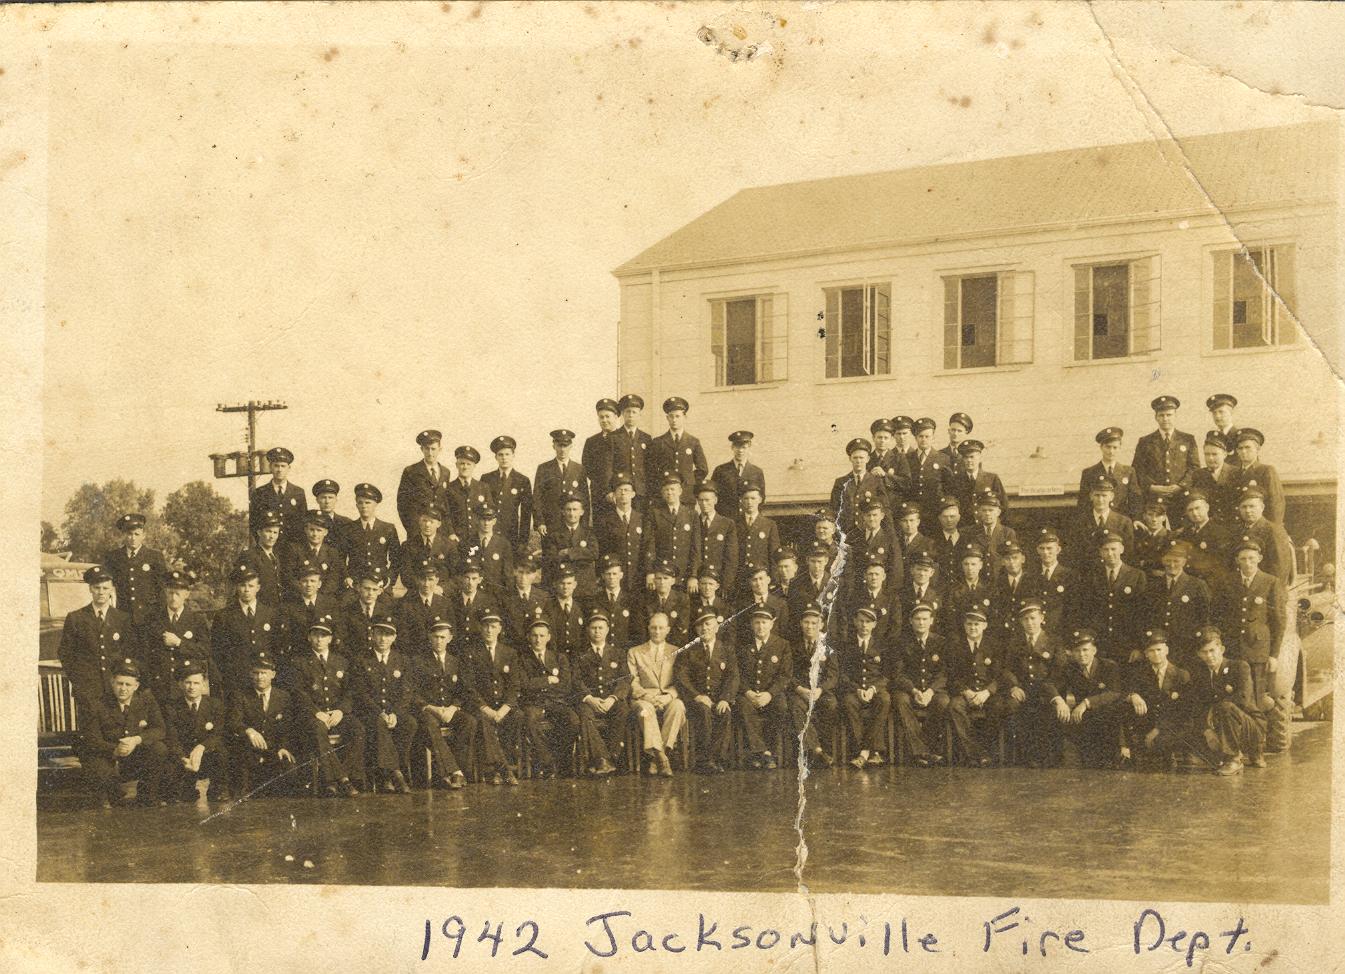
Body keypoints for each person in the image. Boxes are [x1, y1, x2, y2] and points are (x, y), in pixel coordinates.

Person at [282, 618, 363, 797]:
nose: (319, 639)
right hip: (313, 715)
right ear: (309, 638)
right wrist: (315, 712)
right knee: (317, 729)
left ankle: (338, 777)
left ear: (331, 639)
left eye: (323, 636)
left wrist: (341, 710)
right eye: (315, 635)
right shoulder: (299, 662)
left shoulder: (341, 661)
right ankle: (339, 780)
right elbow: (298, 692)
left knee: (358, 729)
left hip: (336, 713)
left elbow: (350, 691)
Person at [76, 659, 167, 808]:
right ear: (112, 683)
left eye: (128, 684)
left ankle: (147, 794)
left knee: (159, 749)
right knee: (98, 770)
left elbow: (160, 729)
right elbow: (91, 739)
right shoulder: (97, 704)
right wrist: (115, 749)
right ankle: (108, 794)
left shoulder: (146, 701)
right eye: (119, 683)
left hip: (134, 754)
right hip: (106, 755)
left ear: (136, 686)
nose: (123, 689)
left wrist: (137, 740)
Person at [1181, 626, 1265, 775]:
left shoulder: (1239, 667)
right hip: (1219, 726)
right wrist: (1207, 730)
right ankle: (1216, 755)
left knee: (1225, 707)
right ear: (1199, 654)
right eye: (1204, 652)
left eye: (1212, 650)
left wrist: (1213, 713)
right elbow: (1197, 706)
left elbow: (1243, 699)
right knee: (1191, 747)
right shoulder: (1200, 674)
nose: (1209, 656)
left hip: (1249, 727)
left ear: (1222, 649)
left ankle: (1233, 759)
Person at [350, 615, 417, 794]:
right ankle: (396, 773)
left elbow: (406, 692)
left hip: (394, 713)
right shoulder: (361, 659)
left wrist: (395, 713)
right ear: (372, 635)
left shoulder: (402, 660)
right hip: (370, 713)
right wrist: (380, 712)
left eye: (387, 635)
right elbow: (361, 693)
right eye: (379, 634)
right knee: (379, 724)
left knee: (410, 723)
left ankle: (387, 774)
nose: (382, 639)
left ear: (394, 637)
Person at [1219, 538, 1288, 705]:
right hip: (1232, 649)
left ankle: (1257, 729)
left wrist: (1273, 655)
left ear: (1259, 559)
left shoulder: (1271, 582)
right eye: (1243, 559)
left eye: (1251, 558)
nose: (1247, 563)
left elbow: (1278, 621)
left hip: (1258, 650)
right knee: (1233, 694)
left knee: (1257, 697)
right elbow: (1218, 615)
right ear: (1237, 561)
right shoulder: (1227, 581)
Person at [410, 618, 475, 789]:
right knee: (429, 723)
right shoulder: (418, 661)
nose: (439, 641)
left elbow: (463, 690)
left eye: (443, 637)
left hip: (449, 710)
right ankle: (453, 771)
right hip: (429, 710)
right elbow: (412, 692)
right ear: (429, 637)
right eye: (435, 637)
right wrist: (432, 708)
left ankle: (460, 770)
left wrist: (453, 708)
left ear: (450, 638)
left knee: (469, 721)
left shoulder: (456, 661)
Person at [517, 618, 584, 779]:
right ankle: (547, 762)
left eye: (541, 635)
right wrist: (547, 680)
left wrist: (538, 685)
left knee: (573, 720)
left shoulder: (559, 658)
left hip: (556, 702)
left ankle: (562, 760)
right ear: (528, 637)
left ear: (548, 637)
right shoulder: (522, 659)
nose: (538, 639)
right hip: (533, 704)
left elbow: (566, 686)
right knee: (530, 720)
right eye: (534, 636)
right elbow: (524, 685)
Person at [1048, 629, 1125, 769]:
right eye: (1077, 651)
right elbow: (1050, 683)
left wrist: (1086, 703)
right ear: (1072, 653)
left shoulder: (1108, 666)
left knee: (1108, 761)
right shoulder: (1070, 668)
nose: (1082, 654)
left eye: (1085, 650)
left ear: (1094, 650)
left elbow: (1114, 692)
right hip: (1084, 718)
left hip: (1107, 716)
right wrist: (1059, 700)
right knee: (1088, 761)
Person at [461, 609, 522, 786]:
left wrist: (504, 709)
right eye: (486, 626)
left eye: (493, 626)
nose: (489, 630)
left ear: (499, 629)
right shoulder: (470, 653)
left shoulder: (509, 653)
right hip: (482, 706)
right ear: (480, 628)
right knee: (481, 720)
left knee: (517, 716)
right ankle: (502, 769)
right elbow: (468, 687)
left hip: (503, 707)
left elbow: (514, 686)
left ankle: (502, 766)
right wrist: (486, 709)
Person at [143, 569, 218, 711]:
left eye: (178, 593)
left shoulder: (196, 620)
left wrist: (180, 643)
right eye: (170, 592)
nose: (173, 598)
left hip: (185, 686)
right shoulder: (153, 619)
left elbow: (205, 650)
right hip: (159, 685)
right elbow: (145, 652)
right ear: (165, 592)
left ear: (186, 594)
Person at [675, 608, 738, 774]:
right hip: (697, 700)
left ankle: (717, 758)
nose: (705, 629)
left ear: (717, 627)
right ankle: (705, 759)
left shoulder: (726, 649)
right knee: (703, 712)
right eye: (701, 626)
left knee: (725, 713)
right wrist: (697, 696)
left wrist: (725, 698)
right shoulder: (689, 651)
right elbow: (682, 677)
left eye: (709, 624)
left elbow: (733, 676)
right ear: (696, 630)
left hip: (719, 698)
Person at [998, 600, 1061, 767]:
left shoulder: (1053, 641)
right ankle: (1018, 755)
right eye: (1025, 619)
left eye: (1033, 618)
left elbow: (1058, 671)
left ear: (1042, 618)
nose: (1030, 623)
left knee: (1045, 710)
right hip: (1022, 690)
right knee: (1011, 706)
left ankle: (1044, 756)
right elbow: (1006, 669)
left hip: (1045, 691)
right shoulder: (1014, 642)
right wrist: (1013, 686)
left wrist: (1053, 694)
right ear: (1021, 622)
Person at [947, 608, 1013, 767]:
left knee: (998, 706)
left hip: (987, 693)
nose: (973, 628)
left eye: (977, 624)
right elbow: (951, 675)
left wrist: (987, 692)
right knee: (954, 706)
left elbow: (1001, 675)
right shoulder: (956, 646)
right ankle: (975, 753)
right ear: (964, 626)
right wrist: (966, 691)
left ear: (985, 625)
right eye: (969, 624)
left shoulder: (995, 646)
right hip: (965, 692)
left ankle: (986, 751)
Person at [229, 651, 298, 796]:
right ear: (250, 674)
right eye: (256, 673)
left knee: (289, 775)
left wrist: (284, 747)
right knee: (243, 789)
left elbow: (288, 726)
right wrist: (249, 730)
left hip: (274, 748)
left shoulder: (283, 696)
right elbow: (235, 721)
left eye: (264, 673)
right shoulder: (241, 695)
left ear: (273, 674)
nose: (259, 677)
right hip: (249, 748)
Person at [889, 602, 949, 767]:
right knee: (900, 700)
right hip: (910, 690)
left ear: (931, 621)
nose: (921, 622)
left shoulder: (941, 642)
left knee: (943, 701)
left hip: (933, 690)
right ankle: (922, 750)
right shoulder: (901, 643)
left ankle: (923, 749)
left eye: (924, 619)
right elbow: (898, 674)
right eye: (917, 619)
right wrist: (914, 690)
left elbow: (944, 673)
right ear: (910, 621)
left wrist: (930, 691)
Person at [162, 660, 232, 803]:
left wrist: (202, 747)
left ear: (204, 685)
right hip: (185, 758)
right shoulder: (172, 707)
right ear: (180, 684)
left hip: (206, 755)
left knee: (221, 751)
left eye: (196, 683)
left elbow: (219, 734)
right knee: (170, 760)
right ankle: (185, 789)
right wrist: (182, 758)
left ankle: (218, 789)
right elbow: (172, 738)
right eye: (188, 682)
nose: (192, 687)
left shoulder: (215, 705)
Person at [569, 609, 628, 776]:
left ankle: (611, 757)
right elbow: (575, 680)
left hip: (610, 699)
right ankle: (603, 758)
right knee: (584, 715)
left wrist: (613, 698)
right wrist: (589, 698)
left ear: (607, 630)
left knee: (623, 710)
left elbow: (624, 680)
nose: (597, 631)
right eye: (594, 628)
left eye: (601, 628)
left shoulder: (618, 653)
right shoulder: (579, 654)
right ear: (588, 630)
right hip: (588, 700)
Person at [1121, 630, 1190, 770]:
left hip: (1171, 725)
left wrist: (1158, 729)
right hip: (1148, 723)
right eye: (1151, 651)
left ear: (1167, 650)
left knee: (1163, 745)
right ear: (1146, 654)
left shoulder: (1181, 675)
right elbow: (1124, 691)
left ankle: (1169, 754)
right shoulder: (1140, 673)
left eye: (1159, 649)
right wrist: (1133, 695)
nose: (1156, 654)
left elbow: (1184, 711)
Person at [627, 611, 684, 777]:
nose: (657, 631)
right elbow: (632, 680)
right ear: (648, 629)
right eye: (653, 627)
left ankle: (657, 757)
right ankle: (663, 759)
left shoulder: (676, 651)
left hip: (667, 696)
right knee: (646, 711)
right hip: (644, 698)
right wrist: (646, 696)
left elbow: (681, 681)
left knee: (678, 706)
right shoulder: (635, 652)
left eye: (661, 628)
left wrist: (669, 696)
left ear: (668, 630)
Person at [735, 605, 791, 770]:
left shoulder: (782, 645)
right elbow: (737, 674)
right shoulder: (743, 645)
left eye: (764, 622)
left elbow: (785, 676)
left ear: (771, 624)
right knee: (743, 707)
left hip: (771, 694)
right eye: (757, 622)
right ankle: (763, 752)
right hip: (748, 694)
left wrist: (769, 694)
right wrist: (748, 692)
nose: (760, 626)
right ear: (752, 624)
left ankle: (764, 752)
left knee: (781, 706)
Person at [1078, 531, 1147, 663]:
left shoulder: (1137, 575)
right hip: (1099, 642)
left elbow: (1142, 613)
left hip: (1126, 642)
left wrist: (1139, 646)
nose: (1110, 554)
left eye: (1113, 549)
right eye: (1106, 550)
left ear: (1121, 549)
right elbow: (1085, 610)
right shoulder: (1092, 576)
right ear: (1100, 552)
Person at [212, 563, 277, 703]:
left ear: (258, 588)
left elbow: (276, 646)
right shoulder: (224, 616)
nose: (246, 590)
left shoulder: (270, 614)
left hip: (263, 677)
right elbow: (217, 651)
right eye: (242, 585)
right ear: (237, 587)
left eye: (251, 586)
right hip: (236, 679)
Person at [1142, 539, 1212, 663]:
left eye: (1176, 561)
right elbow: (1147, 616)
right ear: (1162, 561)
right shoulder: (1153, 586)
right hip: (1160, 648)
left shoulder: (1197, 585)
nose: (1172, 565)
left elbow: (1205, 618)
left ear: (1184, 562)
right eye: (1168, 561)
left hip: (1187, 646)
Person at [838, 605, 891, 768]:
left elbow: (888, 674)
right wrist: (857, 689)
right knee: (848, 702)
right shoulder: (846, 645)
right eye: (861, 621)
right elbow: (842, 674)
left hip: (875, 689)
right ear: (854, 622)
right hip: (854, 690)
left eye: (868, 622)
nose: (864, 625)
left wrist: (873, 689)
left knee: (885, 699)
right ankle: (872, 751)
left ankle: (863, 752)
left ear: (874, 624)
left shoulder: (882, 645)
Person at [102, 512, 167, 640]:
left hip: (149, 621)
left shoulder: (154, 557)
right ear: (124, 535)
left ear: (143, 535)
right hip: (122, 619)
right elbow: (106, 587)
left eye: (136, 534)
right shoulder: (113, 557)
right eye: (129, 534)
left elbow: (162, 590)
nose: (132, 538)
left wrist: (161, 619)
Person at [788, 606, 838, 769]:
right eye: (806, 622)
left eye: (814, 623)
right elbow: (787, 673)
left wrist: (820, 690)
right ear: (801, 624)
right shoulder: (792, 646)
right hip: (800, 691)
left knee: (830, 705)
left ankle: (824, 748)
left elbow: (833, 675)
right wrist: (800, 689)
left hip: (820, 691)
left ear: (821, 625)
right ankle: (816, 750)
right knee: (796, 707)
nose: (810, 626)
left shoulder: (828, 646)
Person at [1132, 395, 1199, 504]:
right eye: (1161, 415)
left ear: (1175, 415)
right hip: (1154, 499)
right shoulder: (1145, 441)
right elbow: (1137, 469)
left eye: (1169, 415)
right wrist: (1152, 487)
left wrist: (1180, 486)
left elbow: (1194, 468)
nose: (1165, 419)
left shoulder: (1188, 439)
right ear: (1156, 417)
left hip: (1181, 497)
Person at [641, 472, 701, 590]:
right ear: (662, 493)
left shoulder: (691, 514)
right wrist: (650, 571)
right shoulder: (655, 513)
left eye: (672, 489)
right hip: (662, 575)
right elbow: (650, 544)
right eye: (666, 490)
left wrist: (693, 575)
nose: (669, 493)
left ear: (680, 491)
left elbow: (696, 548)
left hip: (684, 575)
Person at [277, 561, 343, 663]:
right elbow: (286, 637)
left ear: (319, 584)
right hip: (299, 657)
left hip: (323, 656)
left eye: (313, 581)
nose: (309, 585)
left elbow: (337, 632)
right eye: (305, 581)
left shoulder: (331, 604)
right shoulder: (289, 606)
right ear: (299, 583)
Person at [1067, 474, 1135, 568]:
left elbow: (1128, 554)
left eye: (1104, 495)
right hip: (1087, 573)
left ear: (1111, 496)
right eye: (1097, 495)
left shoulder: (1124, 522)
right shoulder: (1079, 522)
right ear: (1091, 496)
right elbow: (1074, 553)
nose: (1100, 499)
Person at [396, 428, 454, 538]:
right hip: (419, 531)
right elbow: (402, 504)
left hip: (441, 532)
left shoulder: (446, 472)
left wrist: (450, 531)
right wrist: (413, 530)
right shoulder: (411, 471)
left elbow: (446, 505)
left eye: (433, 449)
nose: (430, 453)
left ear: (440, 449)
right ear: (421, 449)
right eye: (427, 449)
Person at [340, 483, 401, 586]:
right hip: (355, 581)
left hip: (380, 581)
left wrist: (389, 580)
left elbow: (396, 559)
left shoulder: (388, 529)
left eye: (368, 503)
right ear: (356, 505)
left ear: (375, 504)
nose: (364, 506)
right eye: (360, 503)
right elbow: (340, 558)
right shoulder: (348, 529)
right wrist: (346, 577)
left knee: (386, 602)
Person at [534, 428, 591, 536]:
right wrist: (540, 522)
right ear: (554, 446)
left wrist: (584, 525)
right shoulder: (544, 468)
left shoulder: (579, 469)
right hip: (550, 524)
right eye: (559, 445)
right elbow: (537, 497)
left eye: (565, 446)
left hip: (573, 523)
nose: (562, 449)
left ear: (571, 446)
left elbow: (585, 499)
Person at [1233, 487, 1295, 585]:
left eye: (1252, 506)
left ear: (1262, 507)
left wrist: (1274, 590)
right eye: (1244, 507)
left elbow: (1280, 567)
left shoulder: (1274, 530)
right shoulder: (1239, 531)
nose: (1248, 510)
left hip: (1264, 588)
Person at [481, 435, 533, 549]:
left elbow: (526, 513)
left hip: (511, 534)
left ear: (513, 456)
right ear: (495, 457)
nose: (504, 458)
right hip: (489, 532)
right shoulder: (486, 479)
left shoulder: (522, 480)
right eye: (500, 455)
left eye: (507, 454)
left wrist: (523, 541)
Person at [541, 495, 599, 598]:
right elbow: (552, 558)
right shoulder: (554, 534)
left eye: (575, 509)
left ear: (582, 512)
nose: (572, 514)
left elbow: (594, 553)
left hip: (584, 587)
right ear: (563, 512)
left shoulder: (589, 532)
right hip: (563, 587)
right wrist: (582, 553)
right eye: (568, 510)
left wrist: (568, 552)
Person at [1175, 489, 1233, 590]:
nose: (1195, 513)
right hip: (1188, 583)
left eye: (1198, 508)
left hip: (1210, 584)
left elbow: (1221, 565)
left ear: (1207, 507)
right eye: (1190, 510)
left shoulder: (1220, 532)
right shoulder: (1185, 533)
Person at [250, 446, 308, 547]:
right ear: (270, 467)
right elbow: (254, 522)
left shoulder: (298, 492)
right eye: (276, 466)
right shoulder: (260, 493)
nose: (279, 470)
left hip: (292, 548)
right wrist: (264, 544)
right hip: (268, 546)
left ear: (289, 468)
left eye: (283, 466)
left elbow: (303, 522)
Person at [395, 560, 452, 661]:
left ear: (437, 580)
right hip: (413, 657)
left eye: (430, 579)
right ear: (417, 580)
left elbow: (451, 634)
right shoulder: (406, 604)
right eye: (422, 579)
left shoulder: (445, 604)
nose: (426, 584)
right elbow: (402, 637)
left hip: (438, 657)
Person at [1078, 427, 1140, 519]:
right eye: (1108, 447)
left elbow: (1135, 499)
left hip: (1121, 520)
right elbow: (1083, 502)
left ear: (1120, 448)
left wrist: (1135, 519)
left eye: (1115, 447)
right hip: (1098, 519)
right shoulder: (1089, 473)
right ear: (1101, 447)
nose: (1111, 451)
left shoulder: (1129, 472)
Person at [649, 396, 709, 491]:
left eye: (677, 416)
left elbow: (703, 469)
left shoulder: (693, 442)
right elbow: (651, 470)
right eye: (671, 416)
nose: (674, 420)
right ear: (667, 418)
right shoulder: (658, 442)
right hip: (665, 492)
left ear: (684, 417)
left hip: (686, 493)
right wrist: (661, 485)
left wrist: (689, 482)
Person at [832, 437, 888, 537]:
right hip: (847, 532)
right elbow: (834, 509)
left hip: (869, 532)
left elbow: (885, 508)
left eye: (861, 458)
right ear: (850, 459)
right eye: (855, 458)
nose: (858, 461)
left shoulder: (876, 481)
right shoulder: (841, 482)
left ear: (867, 459)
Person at [595, 471, 644, 585]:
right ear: (614, 494)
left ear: (633, 494)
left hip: (638, 575)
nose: (623, 494)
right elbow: (602, 549)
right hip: (615, 577)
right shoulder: (605, 520)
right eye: (619, 490)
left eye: (626, 490)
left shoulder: (641, 518)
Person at [1028, 529, 1079, 638]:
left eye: (1049, 548)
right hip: (1038, 634)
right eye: (1042, 548)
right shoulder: (1031, 576)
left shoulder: (1069, 576)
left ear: (1058, 549)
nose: (1046, 552)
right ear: (1037, 550)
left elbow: (1073, 610)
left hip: (1061, 632)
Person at [735, 484, 782, 598]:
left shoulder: (769, 524)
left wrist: (774, 580)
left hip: (761, 579)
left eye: (753, 498)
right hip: (740, 578)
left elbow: (774, 555)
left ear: (760, 499)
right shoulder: (734, 524)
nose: (749, 502)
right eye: (746, 498)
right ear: (741, 500)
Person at [286, 510, 346, 599]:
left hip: (324, 598)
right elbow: (290, 576)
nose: (315, 534)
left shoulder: (332, 552)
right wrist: (306, 593)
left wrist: (318, 597)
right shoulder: (295, 549)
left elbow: (333, 579)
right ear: (305, 530)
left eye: (319, 530)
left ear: (325, 532)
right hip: (300, 597)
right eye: (312, 529)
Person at [397, 504, 459, 589]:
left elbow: (456, 575)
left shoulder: (449, 545)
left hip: (441, 593)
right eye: (424, 520)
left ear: (439, 524)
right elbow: (406, 576)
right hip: (417, 592)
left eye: (431, 521)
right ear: (419, 521)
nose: (427, 525)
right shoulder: (408, 546)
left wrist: (442, 588)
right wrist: (425, 587)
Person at [692, 481, 739, 593]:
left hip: (718, 581)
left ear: (715, 500)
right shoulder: (693, 522)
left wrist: (725, 585)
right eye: (701, 500)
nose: (704, 503)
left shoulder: (727, 524)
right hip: (699, 583)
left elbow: (731, 558)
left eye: (707, 500)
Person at [340, 567, 396, 661]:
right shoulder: (347, 612)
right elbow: (342, 642)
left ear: (380, 591)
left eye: (374, 590)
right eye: (367, 589)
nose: (370, 593)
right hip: (354, 661)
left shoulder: (387, 612)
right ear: (358, 588)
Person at [1230, 428, 1285, 524]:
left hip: (1261, 527)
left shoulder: (1266, 471)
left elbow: (1276, 504)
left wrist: (1274, 529)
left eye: (1247, 447)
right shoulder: (1234, 474)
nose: (1243, 451)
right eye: (1240, 448)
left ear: (1257, 449)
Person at [710, 429, 766, 520]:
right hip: (726, 519)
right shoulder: (720, 471)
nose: (740, 451)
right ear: (732, 447)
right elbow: (713, 497)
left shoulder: (757, 472)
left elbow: (761, 499)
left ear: (749, 447)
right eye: (737, 447)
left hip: (747, 521)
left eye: (744, 447)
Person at [610, 393, 654, 507]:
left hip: (641, 492)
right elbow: (608, 467)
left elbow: (650, 468)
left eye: (634, 412)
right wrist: (610, 490)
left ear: (639, 415)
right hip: (621, 490)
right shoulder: (613, 437)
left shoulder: (646, 438)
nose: (630, 415)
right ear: (623, 414)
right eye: (627, 411)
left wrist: (651, 491)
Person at [1189, 431, 1240, 526]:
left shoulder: (1236, 473)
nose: (1210, 458)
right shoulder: (1199, 475)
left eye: (1214, 454)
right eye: (1207, 454)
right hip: (1209, 526)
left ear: (1224, 454)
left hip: (1232, 524)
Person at [965, 488, 1017, 581]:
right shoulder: (971, 532)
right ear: (979, 512)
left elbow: (1012, 559)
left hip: (1001, 581)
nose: (987, 513)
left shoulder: (1008, 533)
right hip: (979, 582)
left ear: (998, 512)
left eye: (991, 510)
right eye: (984, 510)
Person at [582, 399, 620, 522]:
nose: (604, 420)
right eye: (601, 417)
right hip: (599, 495)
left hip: (620, 494)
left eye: (607, 416)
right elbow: (587, 468)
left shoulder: (623, 438)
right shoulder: (592, 442)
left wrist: (616, 490)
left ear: (616, 417)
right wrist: (605, 490)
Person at [503, 553, 551, 648]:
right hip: (512, 648)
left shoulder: (543, 597)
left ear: (534, 575)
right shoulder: (505, 597)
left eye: (528, 573)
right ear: (515, 572)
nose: (523, 577)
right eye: (521, 572)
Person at [949, 439, 1007, 516]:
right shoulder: (956, 480)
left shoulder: (992, 479)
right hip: (965, 526)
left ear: (980, 458)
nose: (969, 460)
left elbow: (1003, 504)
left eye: (972, 457)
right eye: (966, 457)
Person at [590, 554, 638, 649]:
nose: (611, 577)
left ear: (621, 575)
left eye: (614, 574)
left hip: (624, 650)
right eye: (608, 574)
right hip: (603, 651)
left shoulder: (630, 599)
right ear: (603, 576)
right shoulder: (595, 599)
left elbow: (636, 631)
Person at [239, 509, 285, 607]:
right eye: (268, 531)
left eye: (275, 532)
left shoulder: (277, 556)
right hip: (260, 609)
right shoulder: (250, 555)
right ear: (259, 532)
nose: (272, 536)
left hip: (276, 609)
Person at [910, 417, 951, 525]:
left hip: (935, 511)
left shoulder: (943, 458)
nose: (924, 439)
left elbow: (948, 487)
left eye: (927, 436)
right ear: (915, 437)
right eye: (920, 436)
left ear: (933, 437)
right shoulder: (908, 458)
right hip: (913, 512)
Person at [452, 557, 500, 647]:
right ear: (461, 578)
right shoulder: (452, 601)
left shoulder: (488, 601)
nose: (470, 582)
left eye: (474, 579)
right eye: (467, 578)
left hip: (478, 648)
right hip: (457, 647)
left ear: (480, 580)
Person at [643, 560, 692, 648]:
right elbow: (643, 628)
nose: (662, 582)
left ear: (673, 581)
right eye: (659, 578)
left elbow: (681, 628)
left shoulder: (682, 599)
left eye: (666, 578)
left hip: (674, 646)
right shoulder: (646, 599)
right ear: (654, 580)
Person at [446, 445, 487, 543]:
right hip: (456, 539)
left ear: (474, 466)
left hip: (478, 538)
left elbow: (488, 513)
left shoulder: (483, 487)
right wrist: (451, 533)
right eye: (462, 463)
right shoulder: (449, 488)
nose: (465, 467)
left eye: (469, 464)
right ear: (456, 465)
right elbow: (445, 514)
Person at [469, 503, 514, 594]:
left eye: (489, 520)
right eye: (483, 519)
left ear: (494, 521)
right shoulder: (467, 542)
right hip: (473, 593)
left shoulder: (504, 544)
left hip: (495, 594)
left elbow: (508, 575)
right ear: (478, 520)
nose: (486, 523)